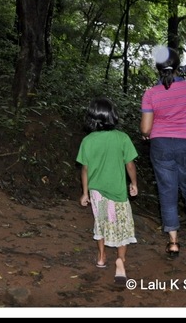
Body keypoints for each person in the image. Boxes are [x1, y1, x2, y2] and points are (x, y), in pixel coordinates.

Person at [140, 46, 186, 258]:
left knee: (167, 192)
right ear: (178, 65)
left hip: (161, 145)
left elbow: (145, 129)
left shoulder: (151, 93)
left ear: (158, 67)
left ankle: (173, 243)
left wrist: (148, 132)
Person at [77, 97, 139, 283]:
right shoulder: (122, 138)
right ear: (112, 115)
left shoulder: (87, 141)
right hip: (118, 193)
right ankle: (120, 261)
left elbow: (85, 169)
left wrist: (85, 193)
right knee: (122, 224)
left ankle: (102, 257)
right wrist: (134, 183)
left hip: (97, 194)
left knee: (102, 222)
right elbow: (130, 165)